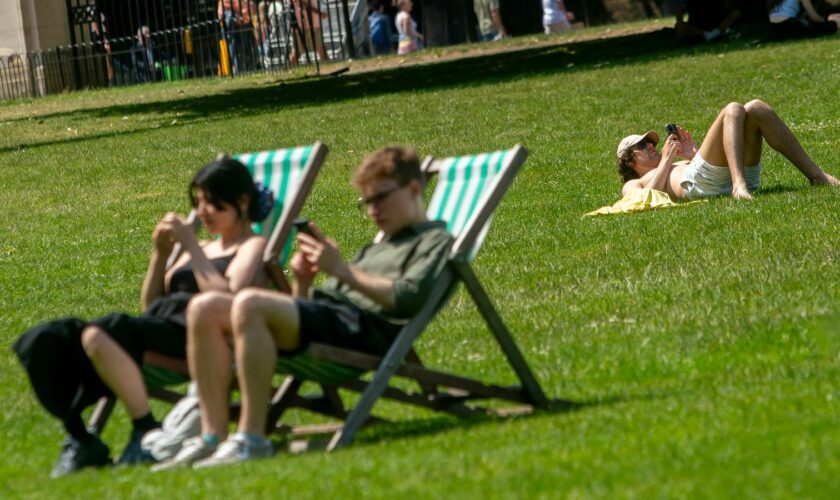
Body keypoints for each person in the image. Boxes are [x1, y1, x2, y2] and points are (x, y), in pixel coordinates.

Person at [152, 146, 453, 469]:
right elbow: (310, 311)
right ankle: (211, 437)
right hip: (330, 321)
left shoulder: (434, 240)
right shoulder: (381, 245)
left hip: (359, 330)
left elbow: (406, 298)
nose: (372, 210)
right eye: (367, 201)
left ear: (414, 189)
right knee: (204, 307)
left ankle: (252, 439)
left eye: (380, 198)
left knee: (249, 302)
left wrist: (341, 269)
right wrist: (304, 283)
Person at [13, 158, 270, 477]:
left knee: (105, 331)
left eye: (212, 203)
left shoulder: (251, 245)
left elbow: (227, 299)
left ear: (242, 201)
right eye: (198, 201)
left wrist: (191, 246)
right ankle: (80, 436)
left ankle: (145, 431)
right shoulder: (199, 248)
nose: (202, 211)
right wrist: (160, 254)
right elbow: (151, 304)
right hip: (157, 326)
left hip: (198, 337)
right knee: (49, 338)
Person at [616, 99, 840, 201]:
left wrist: (693, 154)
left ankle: (817, 176)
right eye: (641, 146)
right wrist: (666, 160)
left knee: (756, 108)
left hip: (722, 177)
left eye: (651, 143)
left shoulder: (673, 165)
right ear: (629, 162)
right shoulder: (634, 183)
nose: (650, 146)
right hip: (703, 185)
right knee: (732, 108)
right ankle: (739, 187)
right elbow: (641, 202)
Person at [674, 0, 742, 42]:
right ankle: (709, 36)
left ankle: (713, 35)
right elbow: (680, 9)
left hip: (716, 26)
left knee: (735, 13)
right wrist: (680, 22)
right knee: (679, 25)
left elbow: (729, 6)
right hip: (697, 28)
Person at [768, 0, 840, 39]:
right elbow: (814, 17)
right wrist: (827, 22)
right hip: (787, 23)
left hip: (771, 26)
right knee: (825, 27)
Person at [289, 0, 328, 65]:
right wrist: (319, 12)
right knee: (297, 52)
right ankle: (290, 70)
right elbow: (302, 3)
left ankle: (327, 67)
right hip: (301, 25)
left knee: (321, 49)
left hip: (314, 23)